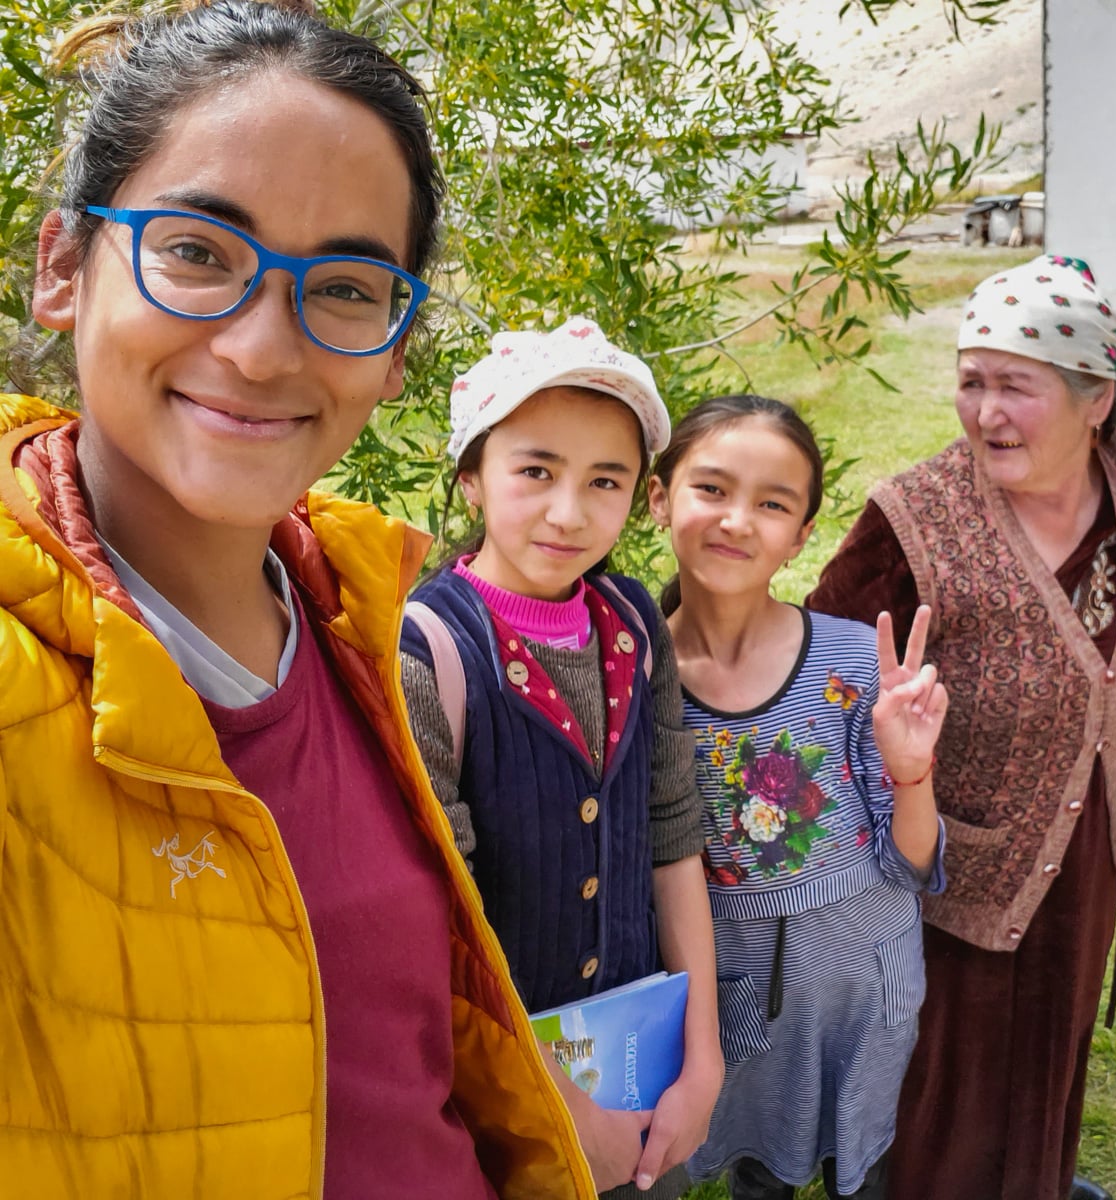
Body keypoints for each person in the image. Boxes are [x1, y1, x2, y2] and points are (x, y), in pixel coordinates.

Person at [0, 1, 593, 1195]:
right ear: (65, 267)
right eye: (198, 253)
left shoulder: (351, 617)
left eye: (346, 286)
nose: (265, 350)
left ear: (394, 346)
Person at [809, 258, 1116, 1200]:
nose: (985, 414)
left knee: (1053, 1054)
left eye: (1016, 386)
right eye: (972, 383)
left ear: (1098, 397)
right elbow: (824, 663)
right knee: (945, 1083)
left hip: (1089, 837)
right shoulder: (916, 515)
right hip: (946, 852)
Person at [398, 320, 722, 1198]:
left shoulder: (634, 626)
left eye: (604, 480)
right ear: (471, 476)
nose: (569, 511)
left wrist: (703, 1054)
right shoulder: (429, 651)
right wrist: (561, 1111)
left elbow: (671, 830)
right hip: (495, 1096)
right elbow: (441, 918)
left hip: (642, 1066)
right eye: (535, 471)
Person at [646, 394, 948, 1200]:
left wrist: (909, 768)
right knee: (759, 1169)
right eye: (710, 489)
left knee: (863, 1168)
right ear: (657, 497)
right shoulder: (637, 678)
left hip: (865, 990)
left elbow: (913, 861)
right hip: (732, 994)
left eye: (772, 504)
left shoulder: (850, 664)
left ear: (802, 533)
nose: (737, 521)